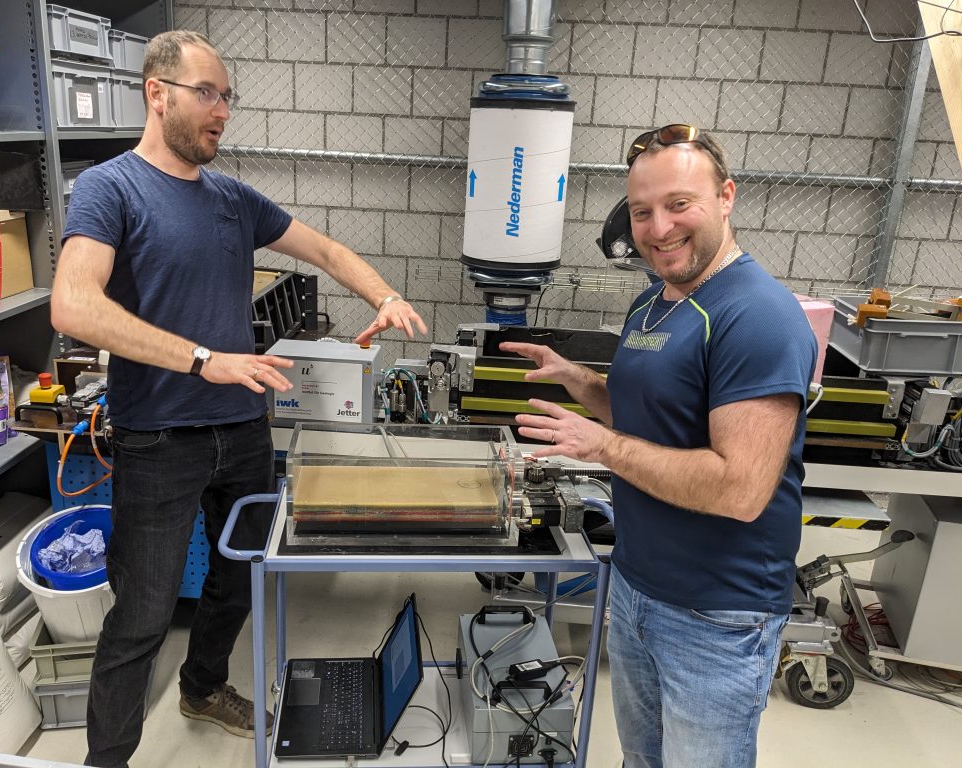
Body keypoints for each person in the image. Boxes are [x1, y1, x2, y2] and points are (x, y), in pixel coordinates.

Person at [50, 30, 427, 768]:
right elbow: (73, 304)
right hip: (158, 437)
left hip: (242, 429)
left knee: (239, 579)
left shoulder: (231, 198)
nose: (222, 111)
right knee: (143, 613)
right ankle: (108, 759)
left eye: (228, 97)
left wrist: (384, 295)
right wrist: (202, 359)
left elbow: (325, 250)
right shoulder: (110, 188)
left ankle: (202, 687)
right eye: (207, 94)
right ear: (157, 94)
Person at [500, 125, 816, 768]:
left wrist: (603, 448)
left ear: (726, 197)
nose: (659, 228)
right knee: (641, 759)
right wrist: (579, 380)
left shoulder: (758, 316)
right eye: (641, 212)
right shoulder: (652, 303)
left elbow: (740, 489)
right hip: (635, 587)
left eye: (679, 204)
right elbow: (647, 417)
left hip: (717, 613)